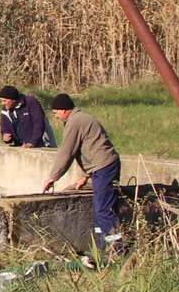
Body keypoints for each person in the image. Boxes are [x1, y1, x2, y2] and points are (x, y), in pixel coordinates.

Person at [41, 93, 124, 257]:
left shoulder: (74, 122)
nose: (56, 116)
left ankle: (116, 249)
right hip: (102, 167)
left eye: (56, 112)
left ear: (65, 110)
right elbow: (91, 147)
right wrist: (85, 176)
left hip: (104, 168)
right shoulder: (81, 119)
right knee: (98, 210)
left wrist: (53, 177)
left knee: (104, 210)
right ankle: (102, 248)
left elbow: (67, 152)